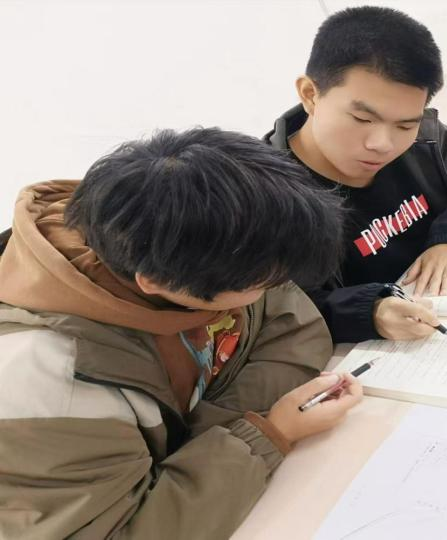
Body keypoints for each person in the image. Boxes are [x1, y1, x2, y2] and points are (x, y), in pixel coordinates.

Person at [0, 128, 362, 539]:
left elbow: (295, 327)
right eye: (260, 284)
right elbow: (122, 531)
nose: (273, 287)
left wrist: (217, 436)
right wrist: (268, 433)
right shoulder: (46, 384)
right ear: (154, 282)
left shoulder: (199, 242)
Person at [265, 6, 447, 344]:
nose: (383, 144)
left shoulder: (426, 138)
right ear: (310, 95)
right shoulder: (267, 198)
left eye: (404, 125)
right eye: (362, 119)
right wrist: (369, 311)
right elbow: (281, 312)